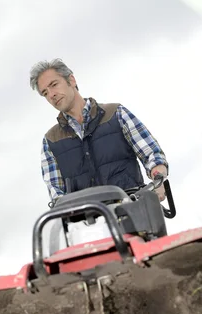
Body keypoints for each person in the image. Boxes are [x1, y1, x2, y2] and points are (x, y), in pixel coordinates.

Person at [29, 58, 168, 204]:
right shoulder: (51, 141)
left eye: (54, 85)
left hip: (133, 211)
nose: (51, 95)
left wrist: (157, 178)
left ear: (71, 80)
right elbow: (56, 194)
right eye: (45, 93)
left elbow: (152, 154)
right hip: (87, 222)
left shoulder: (116, 114)